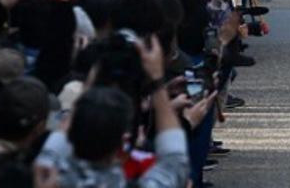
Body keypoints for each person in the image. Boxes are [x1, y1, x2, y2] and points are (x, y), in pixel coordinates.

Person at [33, 36, 189, 188]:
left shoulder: (46, 175)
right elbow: (174, 159)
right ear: (123, 142)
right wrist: (156, 81)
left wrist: (92, 80)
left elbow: (54, 146)